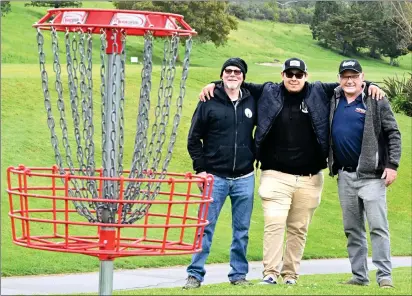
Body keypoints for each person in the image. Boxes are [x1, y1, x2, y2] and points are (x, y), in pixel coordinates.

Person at [199, 57, 384, 285]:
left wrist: (373, 84)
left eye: (299, 74)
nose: (294, 78)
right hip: (275, 174)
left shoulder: (319, 91)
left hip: (310, 177)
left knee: (298, 228)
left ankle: (290, 275)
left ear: (306, 76)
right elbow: (237, 82)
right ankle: (270, 273)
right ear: (282, 76)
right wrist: (213, 84)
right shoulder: (268, 91)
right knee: (274, 224)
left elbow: (351, 83)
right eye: (290, 74)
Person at [184, 58, 256, 289]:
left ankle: (238, 275)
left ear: (243, 76)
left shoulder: (252, 99)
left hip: (245, 176)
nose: (232, 75)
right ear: (222, 74)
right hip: (215, 177)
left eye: (237, 72)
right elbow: (193, 139)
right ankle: (195, 274)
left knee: (242, 230)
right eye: (228, 71)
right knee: (204, 226)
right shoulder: (208, 100)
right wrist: (201, 170)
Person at [328, 59, 401, 288]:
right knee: (352, 229)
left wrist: (392, 165)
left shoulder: (375, 99)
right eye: (345, 76)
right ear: (340, 78)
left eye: (355, 76)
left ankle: (384, 276)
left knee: (378, 227)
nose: (349, 80)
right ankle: (359, 277)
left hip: (371, 177)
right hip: (345, 176)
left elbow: (393, 133)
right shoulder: (334, 97)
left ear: (362, 77)